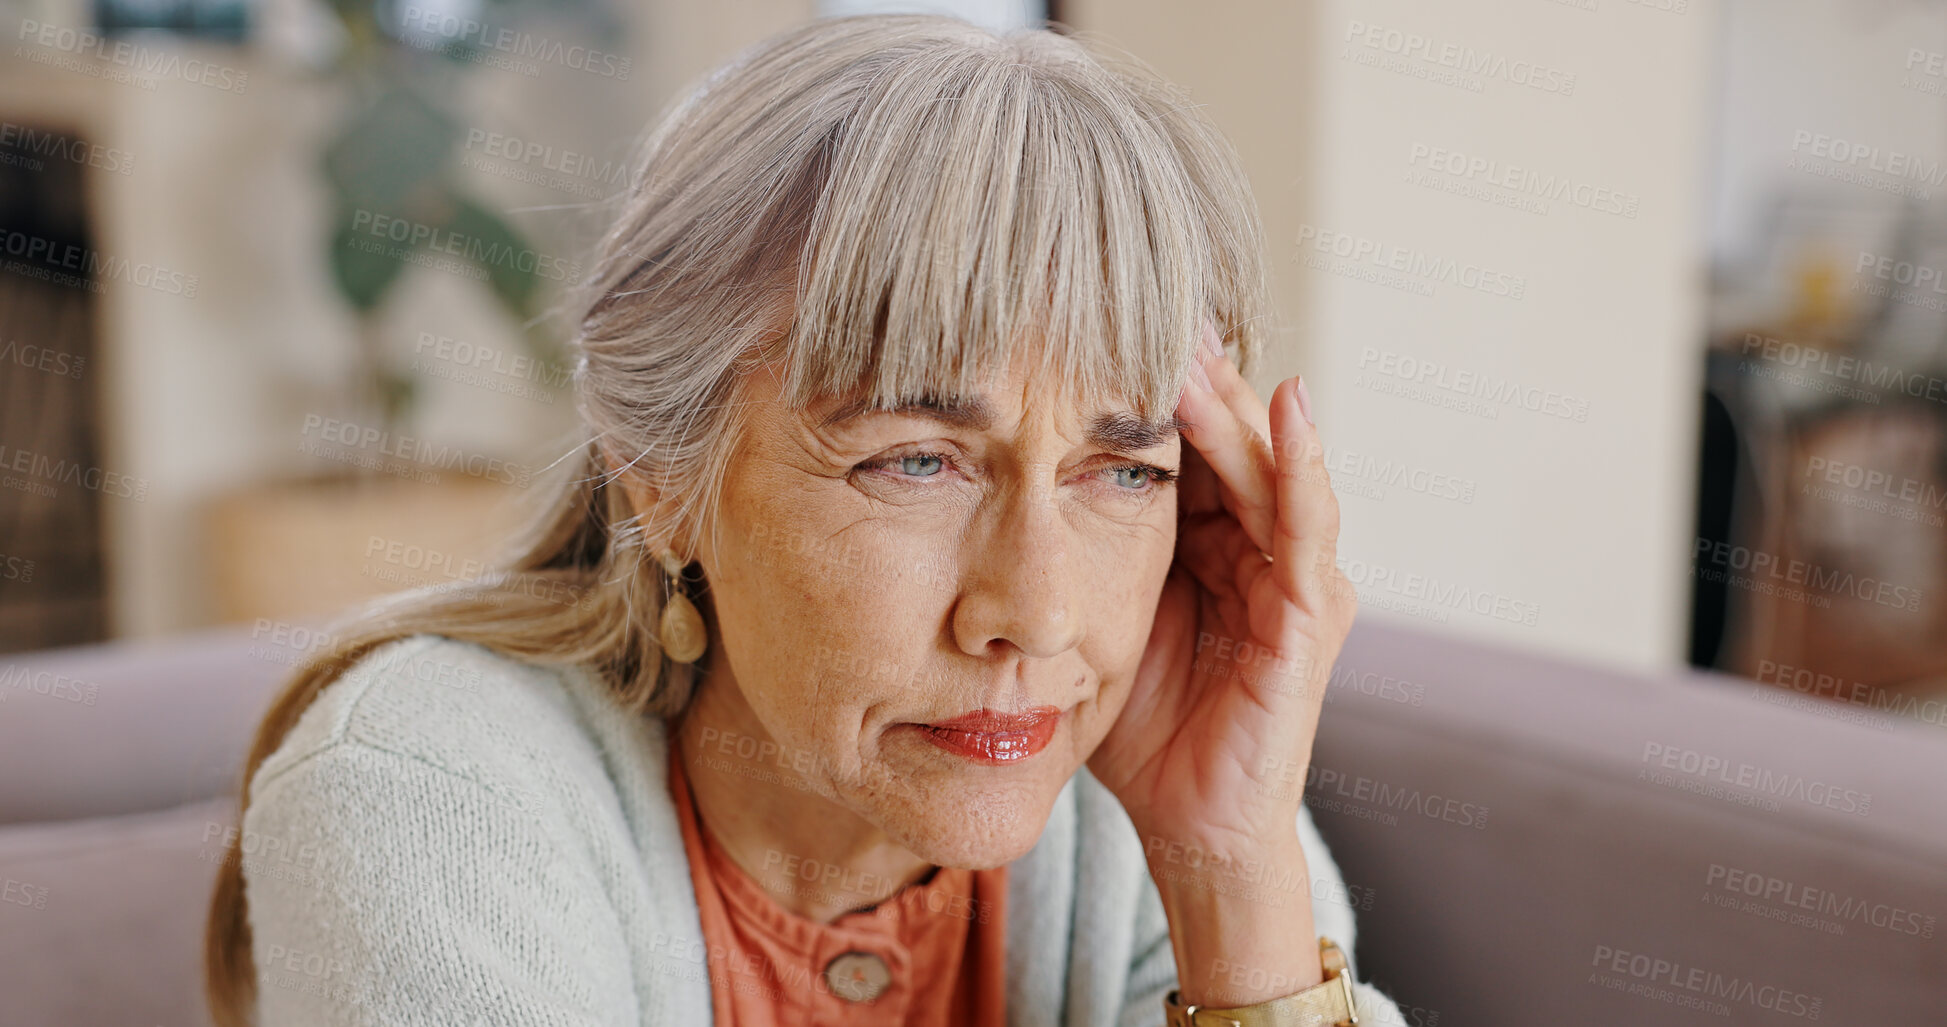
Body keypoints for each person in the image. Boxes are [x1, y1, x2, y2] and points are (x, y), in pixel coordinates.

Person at [204, 13, 1404, 1026]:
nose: (1036, 614)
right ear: (662, 476)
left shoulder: (1158, 818)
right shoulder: (430, 787)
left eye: (1123, 470)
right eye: (919, 462)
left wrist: (1230, 876)